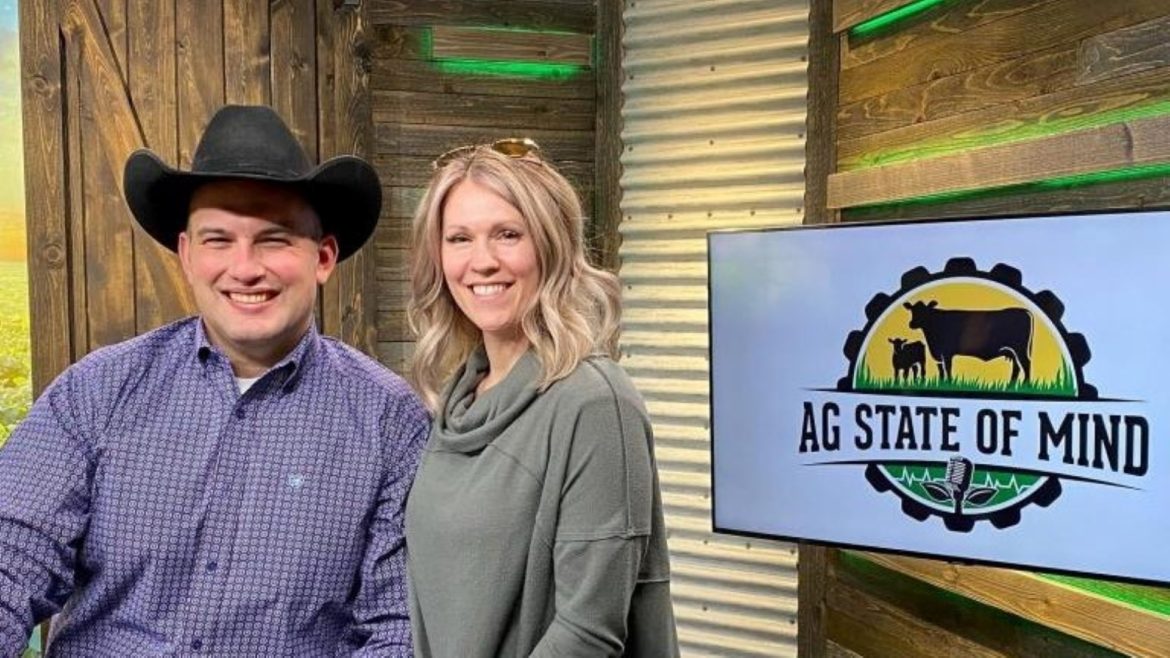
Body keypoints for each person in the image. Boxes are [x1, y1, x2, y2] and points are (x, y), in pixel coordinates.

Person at [0, 105, 429, 655]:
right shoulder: (97, 392)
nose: (245, 268)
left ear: (322, 258)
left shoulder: (390, 423)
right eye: (218, 239)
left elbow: (395, 630)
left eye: (274, 240)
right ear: (186, 254)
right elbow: (11, 559)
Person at [404, 138, 679, 656]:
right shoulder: (461, 400)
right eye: (459, 238)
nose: (481, 261)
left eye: (508, 234)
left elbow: (588, 633)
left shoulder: (595, 404)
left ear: (551, 247)